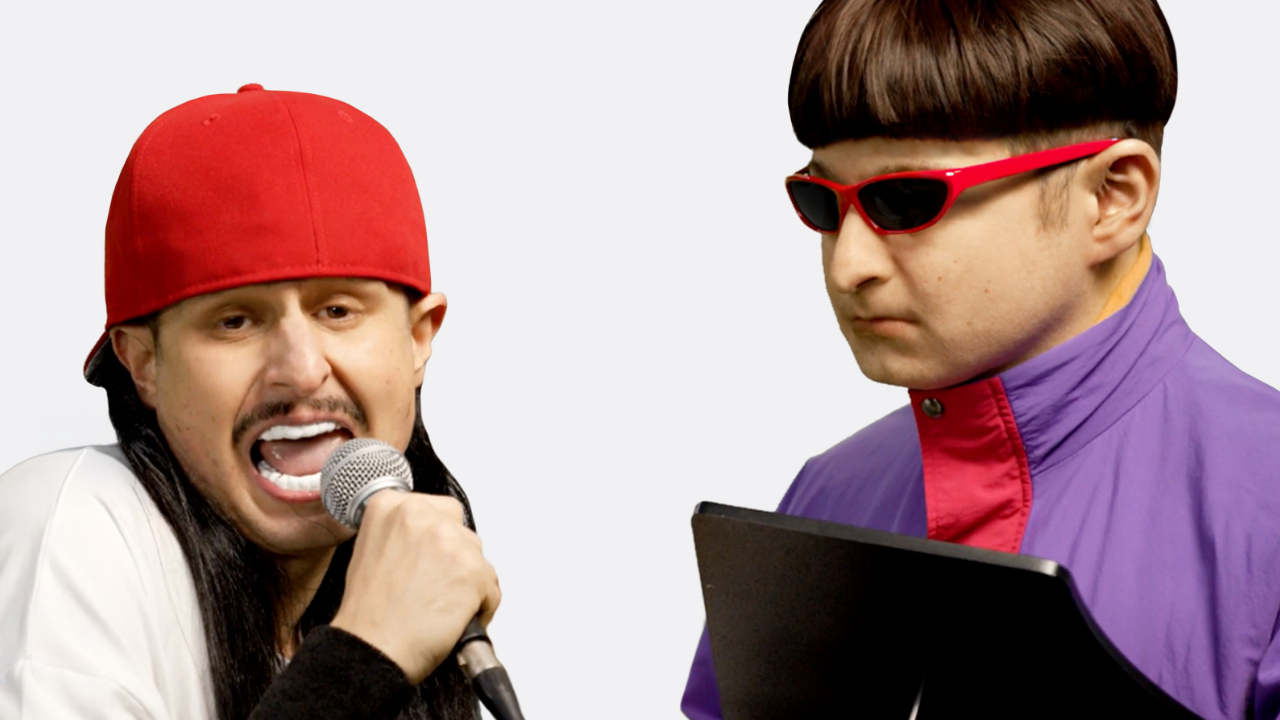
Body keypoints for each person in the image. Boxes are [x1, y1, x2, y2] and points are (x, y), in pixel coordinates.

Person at [681, 1, 1280, 719]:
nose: (848, 266)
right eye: (823, 204)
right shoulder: (825, 500)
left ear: (1112, 197)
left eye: (906, 201)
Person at [0, 84, 501, 720]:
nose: (302, 370)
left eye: (338, 311)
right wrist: (365, 658)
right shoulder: (72, 531)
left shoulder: (396, 586)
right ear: (143, 363)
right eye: (235, 321)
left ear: (418, 338)